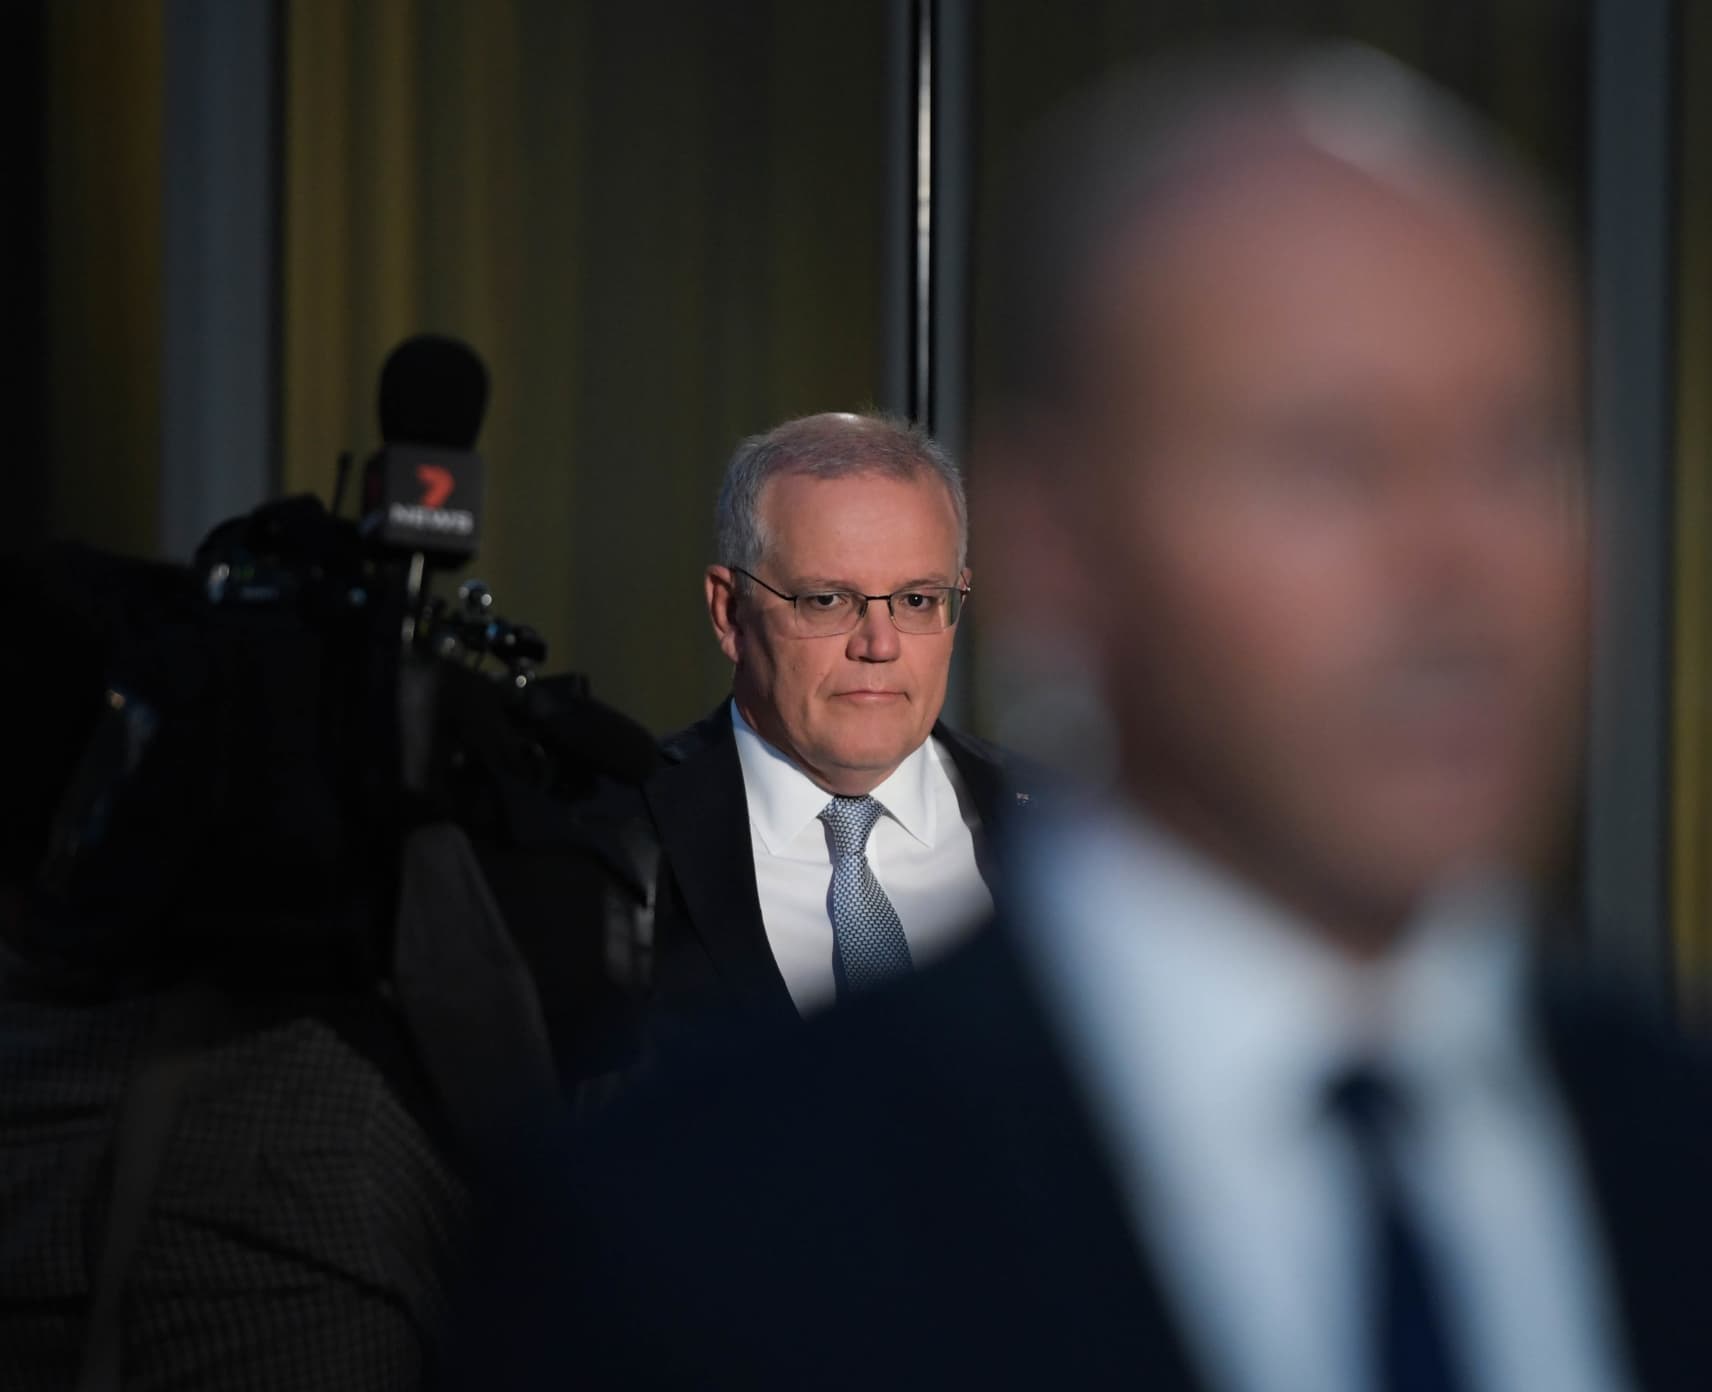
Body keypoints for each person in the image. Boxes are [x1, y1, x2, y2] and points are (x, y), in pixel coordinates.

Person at [464, 44, 1712, 1392]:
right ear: (1059, 544)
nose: (1461, 563)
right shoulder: (681, 1237)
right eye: (1328, 457)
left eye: (1523, 449)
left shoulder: (1674, 1154)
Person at [640, 412, 1029, 1039]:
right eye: (826, 601)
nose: (879, 645)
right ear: (730, 612)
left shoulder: (1069, 831)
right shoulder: (610, 841)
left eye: (917, 600)